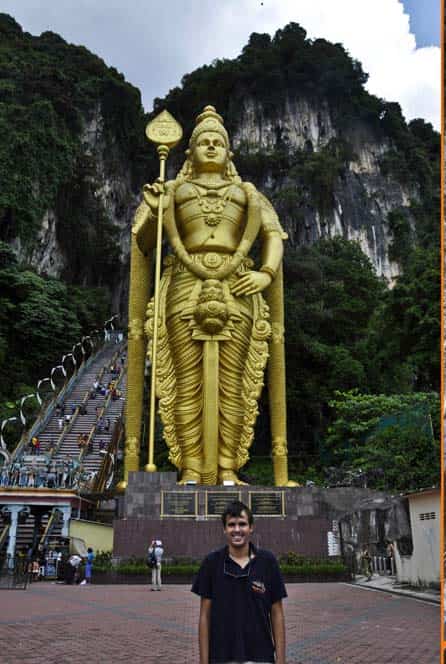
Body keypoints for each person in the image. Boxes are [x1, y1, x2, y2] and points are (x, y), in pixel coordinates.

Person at [126, 106, 292, 486]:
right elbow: (145, 244)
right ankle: (190, 469)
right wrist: (154, 213)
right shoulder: (173, 190)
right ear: (190, 152)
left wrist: (264, 273)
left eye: (219, 142)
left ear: (229, 152)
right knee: (186, 381)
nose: (212, 147)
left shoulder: (247, 193)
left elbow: (274, 237)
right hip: (185, 282)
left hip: (238, 285)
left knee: (233, 384)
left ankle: (229, 468)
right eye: (204, 142)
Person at [192, 500, 286, 664]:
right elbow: (204, 616)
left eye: (242, 524)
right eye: (231, 525)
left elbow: (277, 613)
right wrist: (203, 661)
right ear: (224, 529)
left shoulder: (267, 561)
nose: (237, 530)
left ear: (251, 527)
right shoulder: (211, 563)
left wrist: (281, 660)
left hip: (260, 656)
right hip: (221, 656)